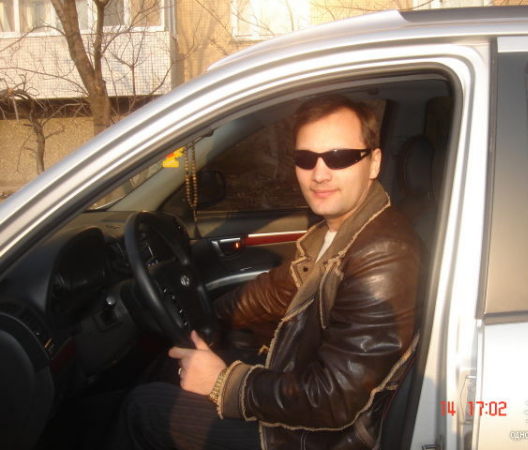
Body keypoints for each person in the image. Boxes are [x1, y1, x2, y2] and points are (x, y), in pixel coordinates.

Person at [112, 94, 420, 450]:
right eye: (306, 159)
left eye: (340, 157)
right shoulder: (337, 232)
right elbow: (274, 290)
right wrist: (205, 318)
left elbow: (335, 399)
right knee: (174, 364)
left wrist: (223, 384)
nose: (320, 174)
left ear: (374, 162)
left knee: (142, 409)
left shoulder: (384, 253)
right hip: (299, 390)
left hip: (318, 438)